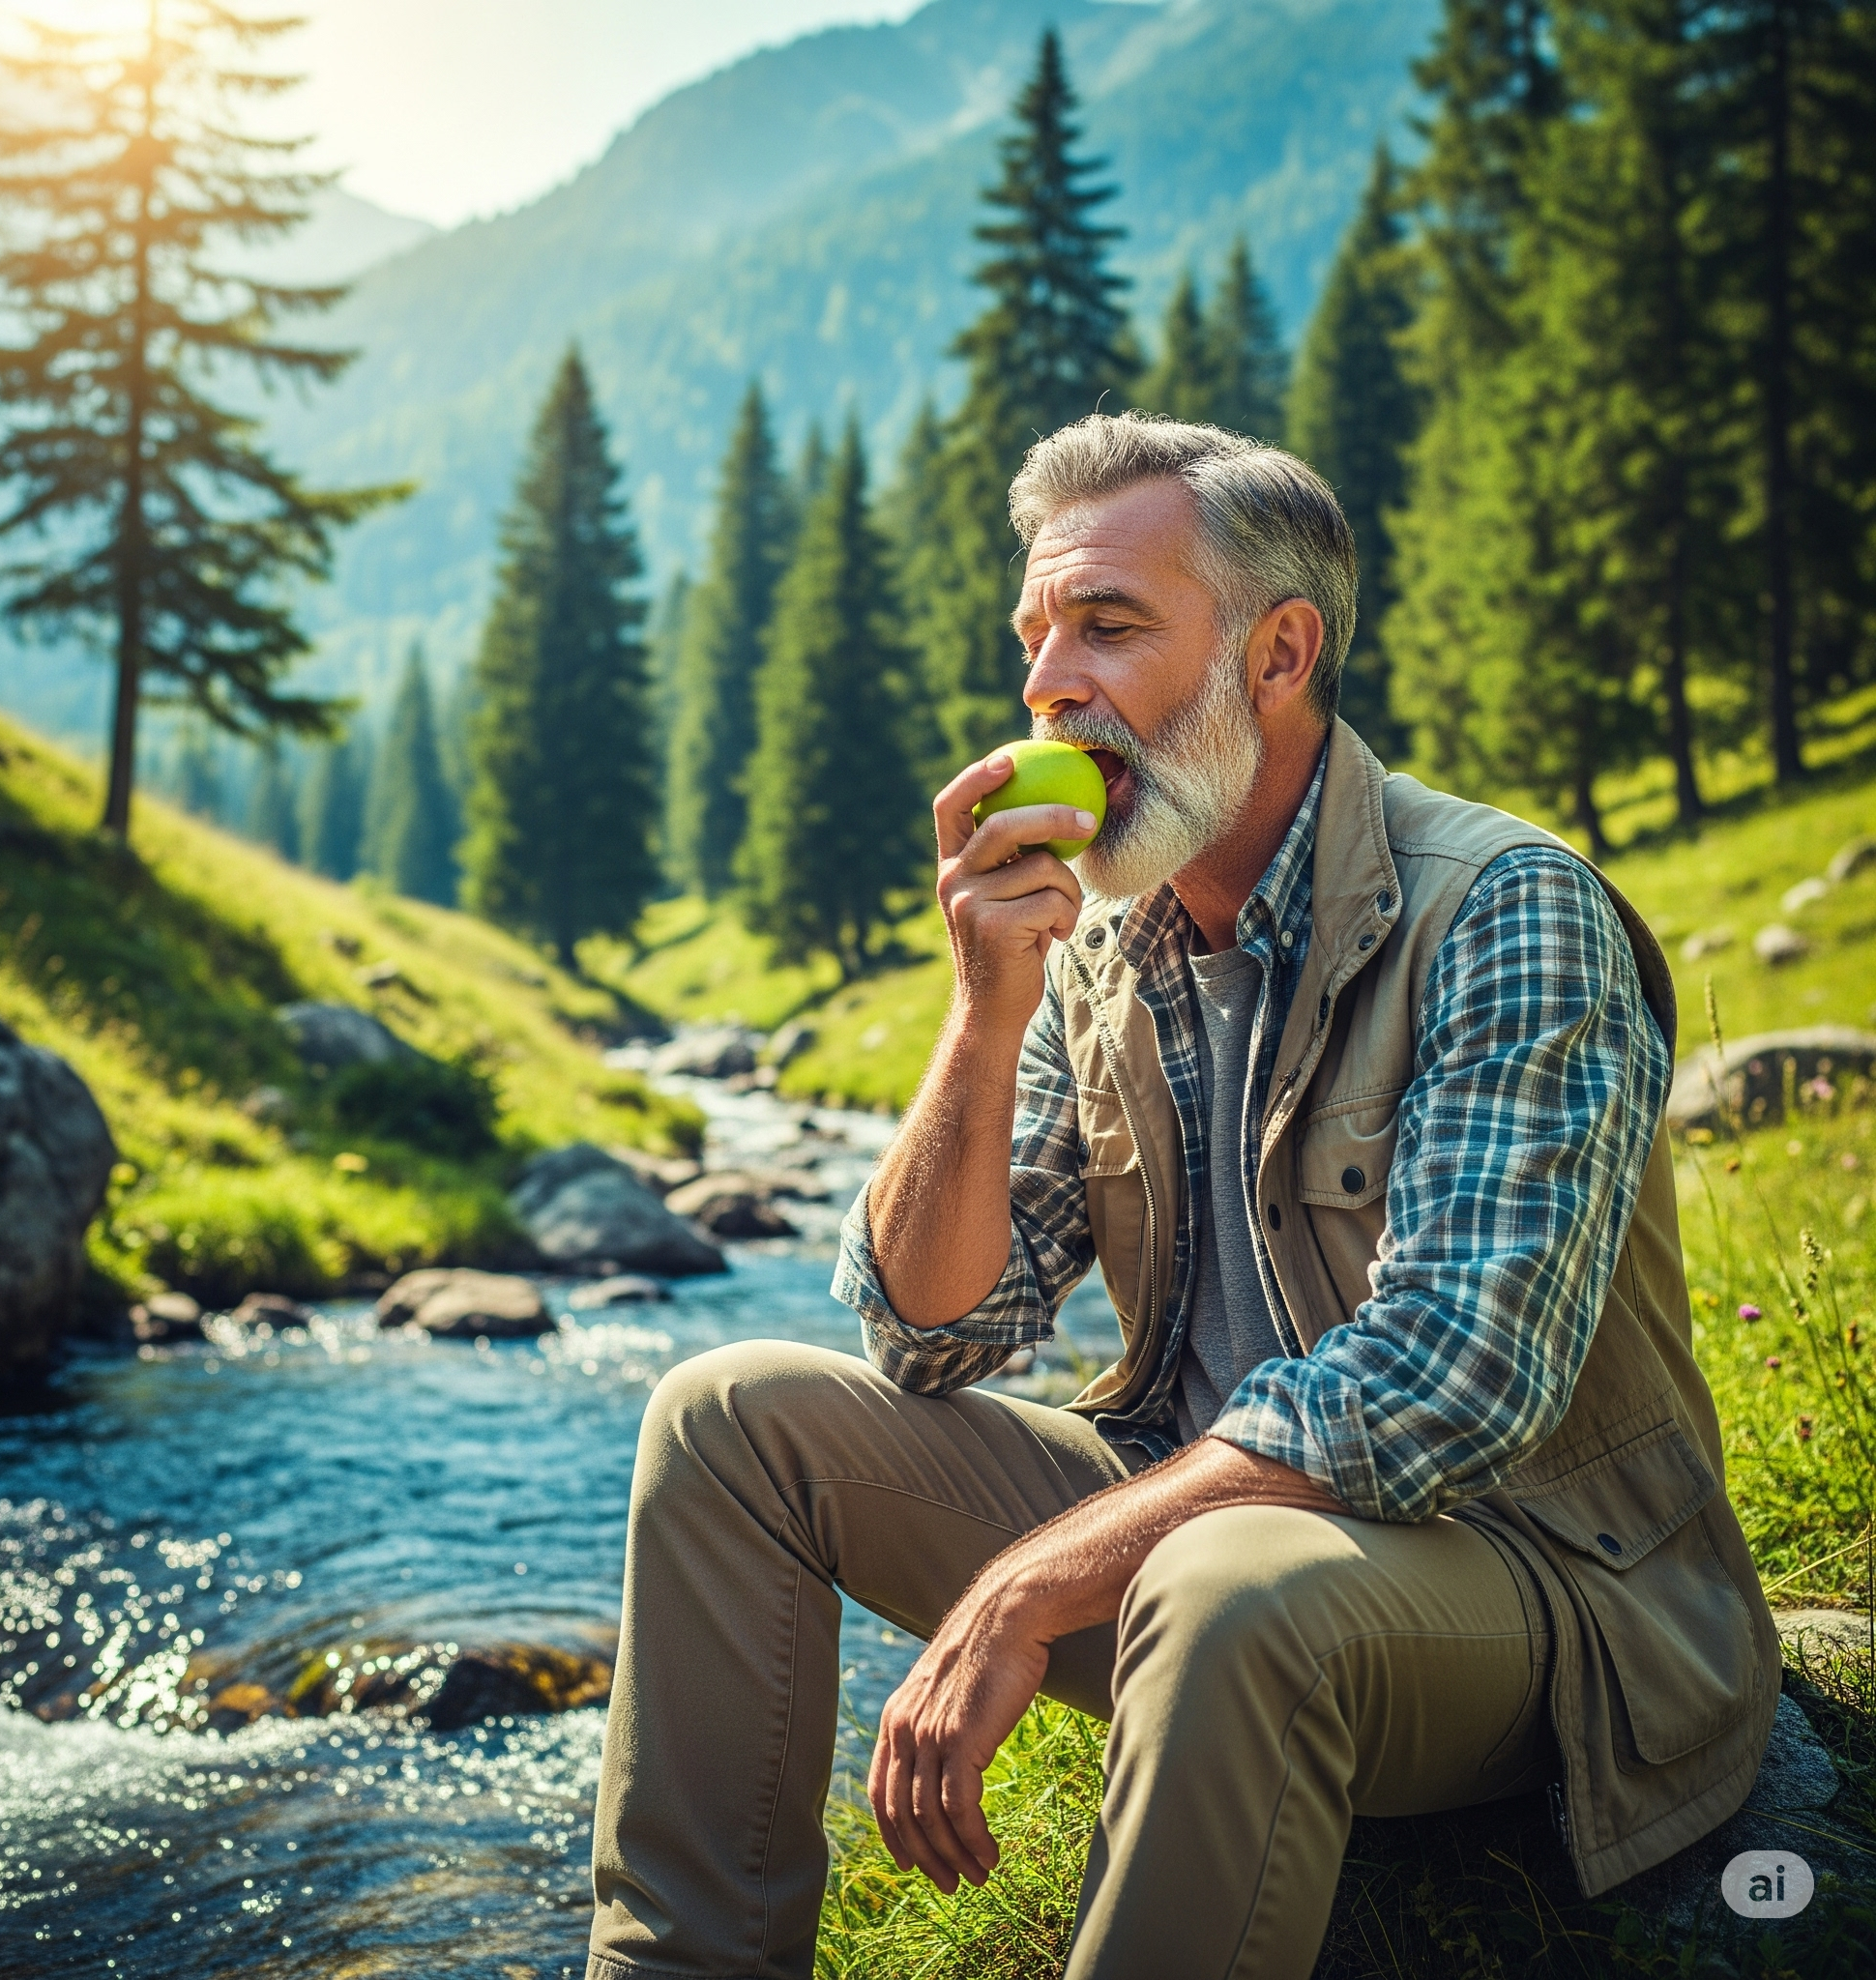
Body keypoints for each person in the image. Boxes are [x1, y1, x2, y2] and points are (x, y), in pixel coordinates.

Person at [586, 414, 1776, 1980]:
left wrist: (1034, 1582)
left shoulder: (1506, 908)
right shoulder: (1102, 945)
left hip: (1544, 1594)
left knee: (1223, 1585)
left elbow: (1449, 1385)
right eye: (1035, 635)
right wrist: (983, 1004)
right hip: (1214, 1538)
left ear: (1280, 654)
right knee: (729, 1417)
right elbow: (932, 1336)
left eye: (1108, 624)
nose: (1046, 685)